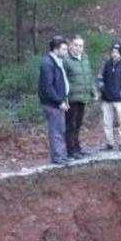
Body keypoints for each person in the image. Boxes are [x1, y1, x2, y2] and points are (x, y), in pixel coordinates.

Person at [62, 35, 98, 159]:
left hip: (83, 97)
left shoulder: (85, 59)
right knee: (70, 124)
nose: (78, 48)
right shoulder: (66, 60)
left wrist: (93, 92)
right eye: (76, 45)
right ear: (71, 46)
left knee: (78, 124)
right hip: (72, 98)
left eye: (81, 46)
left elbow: (89, 77)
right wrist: (63, 98)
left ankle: (77, 147)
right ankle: (70, 150)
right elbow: (62, 80)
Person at [38, 36, 70, 165]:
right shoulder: (48, 63)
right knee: (56, 130)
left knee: (60, 129)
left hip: (58, 102)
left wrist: (64, 99)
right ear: (56, 49)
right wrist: (59, 101)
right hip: (52, 104)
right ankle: (58, 157)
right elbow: (48, 87)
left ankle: (61, 156)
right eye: (64, 49)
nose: (66, 52)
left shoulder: (56, 61)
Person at [97, 43, 121, 151]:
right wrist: (102, 89)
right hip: (106, 99)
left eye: (117, 52)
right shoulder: (105, 64)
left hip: (120, 100)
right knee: (107, 122)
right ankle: (109, 143)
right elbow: (100, 78)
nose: (114, 54)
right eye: (113, 52)